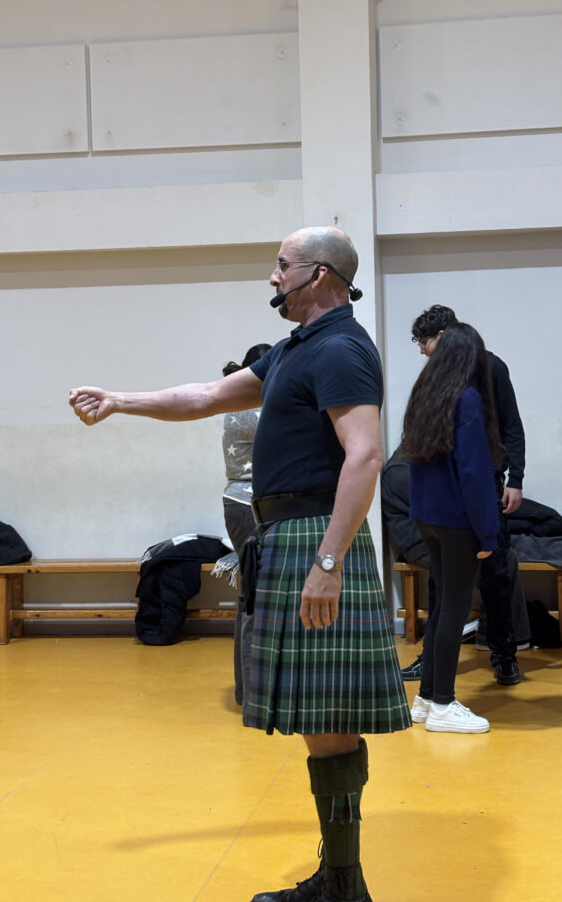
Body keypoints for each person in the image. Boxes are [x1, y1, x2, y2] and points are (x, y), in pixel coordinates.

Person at [70, 226, 411, 902]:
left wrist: (328, 560)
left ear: (319, 274)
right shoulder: (295, 348)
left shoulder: (340, 348)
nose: (272, 277)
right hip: (289, 535)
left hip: (314, 537)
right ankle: (340, 881)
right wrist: (121, 401)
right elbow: (204, 396)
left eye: (282, 265)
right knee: (322, 722)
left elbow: (365, 454)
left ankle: (344, 885)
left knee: (329, 720)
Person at [409, 304, 526, 686]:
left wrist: (515, 478)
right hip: (450, 501)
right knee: (444, 595)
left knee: (493, 574)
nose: (422, 351)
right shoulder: (434, 382)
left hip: (476, 490)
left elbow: (510, 429)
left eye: (424, 342)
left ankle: (503, 654)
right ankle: (434, 680)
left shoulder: (489, 370)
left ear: (444, 338)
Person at [400, 322, 501, 734]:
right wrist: (488, 532)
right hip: (458, 522)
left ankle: (426, 698)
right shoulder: (468, 398)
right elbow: (474, 473)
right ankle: (443, 703)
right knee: (454, 610)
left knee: (443, 606)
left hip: (427, 518)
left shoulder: (426, 394)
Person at [221, 343, 271, 706]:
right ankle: (252, 690)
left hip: (243, 503)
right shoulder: (254, 410)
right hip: (247, 506)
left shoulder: (244, 404)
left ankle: (248, 688)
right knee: (254, 593)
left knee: (249, 592)